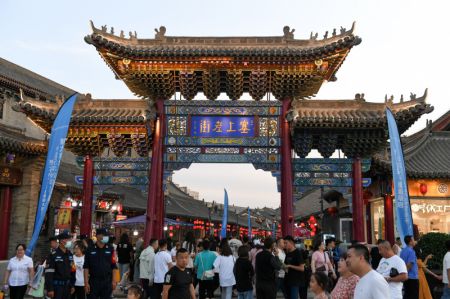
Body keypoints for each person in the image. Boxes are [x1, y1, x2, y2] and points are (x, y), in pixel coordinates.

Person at [83, 228, 119, 299]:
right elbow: (86, 267)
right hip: (93, 281)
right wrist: (86, 283)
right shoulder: (90, 249)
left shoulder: (110, 249)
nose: (106, 237)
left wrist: (114, 281)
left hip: (107, 281)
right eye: (104, 235)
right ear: (97, 236)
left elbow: (114, 266)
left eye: (106, 235)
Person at [45, 232, 74, 299]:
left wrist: (72, 285)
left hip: (68, 286)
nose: (69, 241)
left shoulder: (70, 254)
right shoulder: (53, 255)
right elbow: (49, 273)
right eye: (67, 239)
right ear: (61, 241)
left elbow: (72, 271)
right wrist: (50, 289)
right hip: (57, 287)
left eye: (69, 240)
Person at [400, 235, 419, 299]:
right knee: (413, 296)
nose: (415, 241)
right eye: (413, 240)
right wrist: (406, 274)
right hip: (412, 277)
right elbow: (410, 264)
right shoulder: (411, 251)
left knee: (407, 295)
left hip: (406, 277)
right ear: (410, 242)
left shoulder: (403, 251)